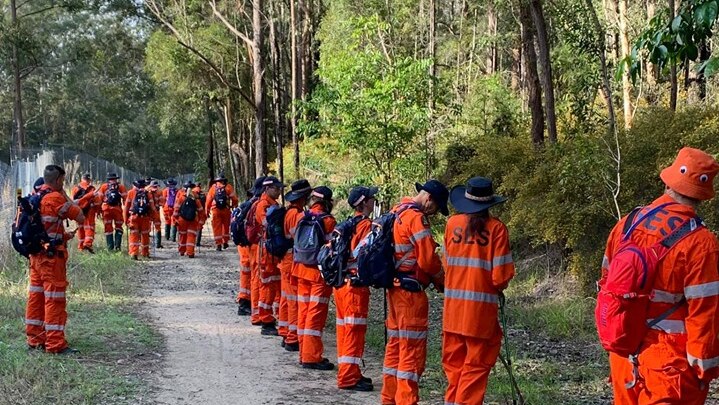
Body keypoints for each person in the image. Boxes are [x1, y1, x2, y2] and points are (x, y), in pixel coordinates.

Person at [602, 147, 719, 404]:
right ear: (703, 193)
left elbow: (607, 283)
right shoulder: (701, 243)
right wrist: (704, 369)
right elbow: (705, 312)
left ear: (669, 181)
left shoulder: (627, 224)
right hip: (669, 365)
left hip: (623, 351)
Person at [442, 177, 515, 404]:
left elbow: (446, 264)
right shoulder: (497, 229)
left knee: (454, 369)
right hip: (479, 316)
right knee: (475, 369)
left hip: (452, 313)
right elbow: (500, 277)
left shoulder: (452, 224)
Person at [381, 180, 447, 405]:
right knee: (411, 352)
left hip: (395, 289)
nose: (434, 212)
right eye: (436, 207)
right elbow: (428, 260)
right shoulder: (416, 218)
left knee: (395, 347)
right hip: (411, 294)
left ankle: (389, 398)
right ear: (429, 199)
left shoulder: (397, 210)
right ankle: (407, 401)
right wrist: (442, 280)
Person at [25, 165, 85, 354]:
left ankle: (34, 340)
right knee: (54, 299)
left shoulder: (34, 197)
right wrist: (67, 197)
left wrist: (64, 236)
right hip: (52, 260)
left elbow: (46, 228)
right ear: (58, 180)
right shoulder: (56, 198)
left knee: (36, 297)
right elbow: (81, 217)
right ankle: (55, 344)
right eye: (63, 180)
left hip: (35, 256)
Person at [335, 186, 378, 391]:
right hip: (355, 287)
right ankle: (348, 378)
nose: (374, 201)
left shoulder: (348, 224)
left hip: (342, 284)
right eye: (371, 198)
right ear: (363, 203)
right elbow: (365, 254)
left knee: (344, 330)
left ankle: (349, 370)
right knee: (354, 331)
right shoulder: (366, 226)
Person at [295, 186, 336, 370]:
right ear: (327, 202)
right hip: (318, 274)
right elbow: (331, 249)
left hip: (300, 269)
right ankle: (311, 357)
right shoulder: (328, 221)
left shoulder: (301, 217)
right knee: (315, 314)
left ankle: (304, 353)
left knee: (303, 312)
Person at [279, 179, 313, 350]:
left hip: (286, 260)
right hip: (291, 261)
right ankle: (292, 338)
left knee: (286, 299)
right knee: (293, 301)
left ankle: (286, 331)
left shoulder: (289, 212)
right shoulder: (297, 215)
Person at [251, 176, 285, 336]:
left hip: (273, 252)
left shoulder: (273, 204)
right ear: (267, 189)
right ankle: (265, 320)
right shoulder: (263, 205)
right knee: (267, 285)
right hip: (266, 252)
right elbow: (268, 225)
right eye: (276, 188)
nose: (279, 191)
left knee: (275, 284)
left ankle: (273, 316)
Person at [237, 177, 265, 316]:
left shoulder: (246, 204)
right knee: (254, 276)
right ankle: (249, 305)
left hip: (244, 245)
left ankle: (245, 303)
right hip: (251, 246)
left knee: (247, 274)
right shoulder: (258, 205)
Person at [206, 172, 239, 251]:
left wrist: (207, 211)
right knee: (226, 226)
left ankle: (218, 244)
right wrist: (233, 206)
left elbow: (208, 201)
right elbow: (235, 199)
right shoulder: (228, 187)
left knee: (217, 227)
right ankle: (225, 242)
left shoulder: (213, 188)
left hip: (215, 210)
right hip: (226, 209)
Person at [173, 181, 206, 258]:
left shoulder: (181, 197)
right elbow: (201, 212)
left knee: (182, 235)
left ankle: (181, 251)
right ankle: (190, 253)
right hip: (193, 220)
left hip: (182, 220)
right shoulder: (196, 199)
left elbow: (176, 210)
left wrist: (175, 220)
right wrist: (200, 223)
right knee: (191, 236)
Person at [125, 179, 156, 260]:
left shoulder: (131, 192)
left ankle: (134, 253)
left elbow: (126, 207)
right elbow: (152, 208)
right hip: (145, 218)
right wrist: (154, 218)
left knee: (134, 235)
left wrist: (126, 220)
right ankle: (145, 253)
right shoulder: (148, 194)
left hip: (134, 217)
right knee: (145, 235)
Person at [96, 172, 127, 251]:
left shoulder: (103, 187)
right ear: (116, 179)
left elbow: (99, 200)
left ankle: (110, 247)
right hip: (117, 209)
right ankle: (117, 246)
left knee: (108, 228)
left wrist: (98, 211)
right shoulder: (121, 187)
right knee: (119, 227)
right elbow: (126, 200)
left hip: (106, 209)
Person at [71, 173, 100, 253]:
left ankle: (80, 246)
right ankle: (87, 244)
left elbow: (72, 201)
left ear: (82, 179)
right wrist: (98, 211)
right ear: (89, 180)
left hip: (78, 210)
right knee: (89, 227)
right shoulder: (92, 189)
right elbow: (97, 201)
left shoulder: (75, 188)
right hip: (90, 210)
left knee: (80, 228)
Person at [147, 179, 165, 248]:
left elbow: (162, 202)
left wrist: (158, 205)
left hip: (155, 212)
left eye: (156, 187)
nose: (155, 188)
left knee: (158, 227)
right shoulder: (147, 192)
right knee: (147, 227)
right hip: (149, 212)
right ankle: (147, 243)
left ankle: (158, 244)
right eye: (154, 187)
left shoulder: (159, 192)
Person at [162, 178, 179, 242]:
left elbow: (163, 200)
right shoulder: (177, 191)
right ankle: (173, 238)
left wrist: (163, 207)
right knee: (174, 222)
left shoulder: (165, 190)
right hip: (174, 208)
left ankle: (167, 236)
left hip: (166, 208)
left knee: (167, 221)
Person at [194, 182, 206, 247]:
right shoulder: (203, 193)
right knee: (200, 227)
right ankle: (198, 242)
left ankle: (193, 241)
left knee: (193, 227)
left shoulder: (192, 192)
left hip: (193, 212)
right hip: (201, 212)